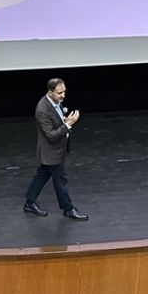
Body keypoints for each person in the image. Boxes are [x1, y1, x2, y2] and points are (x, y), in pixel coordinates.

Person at [24, 78, 86, 220]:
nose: (63, 95)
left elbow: (56, 122)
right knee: (60, 181)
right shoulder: (42, 110)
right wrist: (68, 124)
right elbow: (51, 136)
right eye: (59, 93)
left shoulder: (55, 101)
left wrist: (64, 121)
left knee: (42, 176)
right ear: (50, 92)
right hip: (51, 153)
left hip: (55, 151)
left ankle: (29, 202)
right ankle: (68, 209)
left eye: (64, 91)